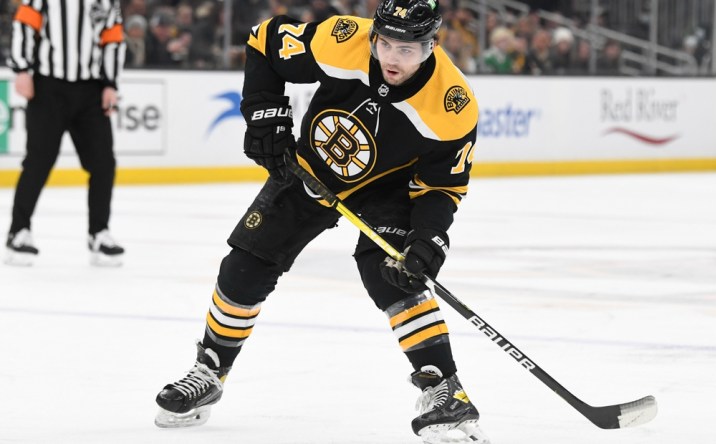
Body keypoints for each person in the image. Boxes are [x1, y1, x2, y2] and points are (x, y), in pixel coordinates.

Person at [154, 0, 488, 442]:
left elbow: (441, 188)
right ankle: (210, 370)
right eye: (384, 43)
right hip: (314, 169)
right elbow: (263, 40)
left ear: (432, 44)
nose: (391, 57)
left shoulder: (453, 105)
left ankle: (446, 389)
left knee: (391, 274)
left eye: (407, 50)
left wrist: (427, 240)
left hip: (391, 185)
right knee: (245, 265)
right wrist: (264, 113)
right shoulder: (343, 38)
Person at [5, 0, 126, 267]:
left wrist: (110, 83)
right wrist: (22, 69)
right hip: (48, 86)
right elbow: (25, 23)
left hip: (91, 90)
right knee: (39, 159)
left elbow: (112, 35)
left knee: (104, 163)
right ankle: (18, 231)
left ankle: (98, 233)